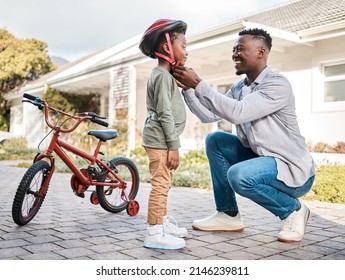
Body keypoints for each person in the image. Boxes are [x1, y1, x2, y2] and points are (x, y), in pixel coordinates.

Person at [173, 28, 315, 242]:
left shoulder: (277, 84)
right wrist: (188, 90)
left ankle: (293, 210)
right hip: (263, 161)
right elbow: (209, 115)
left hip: (292, 169)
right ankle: (228, 214)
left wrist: (199, 84)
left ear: (261, 52)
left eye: (240, 49)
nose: (234, 54)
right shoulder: (240, 87)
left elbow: (239, 112)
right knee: (216, 140)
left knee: (240, 175)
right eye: (233, 50)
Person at [138, 19, 189, 249]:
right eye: (184, 46)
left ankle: (162, 222)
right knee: (160, 184)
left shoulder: (165, 76)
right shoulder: (161, 76)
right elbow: (164, 113)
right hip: (161, 141)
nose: (186, 51)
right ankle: (154, 231)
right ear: (168, 48)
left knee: (164, 183)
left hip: (161, 140)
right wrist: (174, 145)